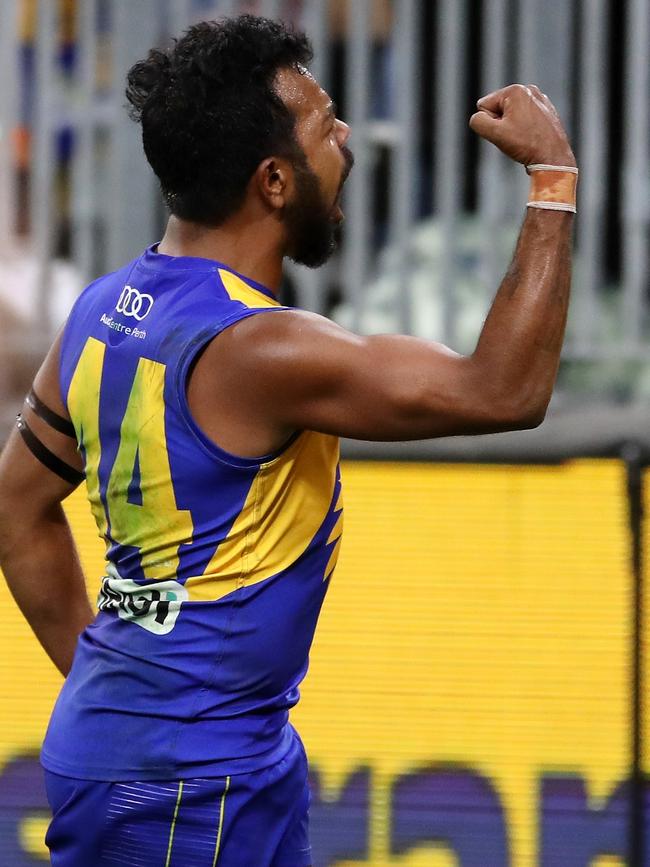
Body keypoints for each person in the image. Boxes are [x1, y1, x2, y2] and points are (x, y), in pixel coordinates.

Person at [0, 14, 577, 867]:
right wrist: (552, 178)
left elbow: (17, 508)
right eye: (326, 125)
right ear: (275, 181)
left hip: (206, 754)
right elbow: (505, 389)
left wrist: (111, 686)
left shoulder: (100, 309)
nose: (347, 140)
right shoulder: (262, 348)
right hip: (187, 780)